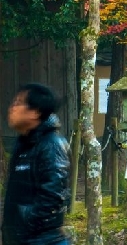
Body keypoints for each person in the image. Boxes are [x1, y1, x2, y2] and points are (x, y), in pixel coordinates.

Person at [2, 83, 71, 245]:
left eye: (18, 103)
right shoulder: (23, 144)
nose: (12, 108)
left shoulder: (52, 145)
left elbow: (53, 197)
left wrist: (27, 224)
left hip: (44, 241)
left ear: (35, 112)